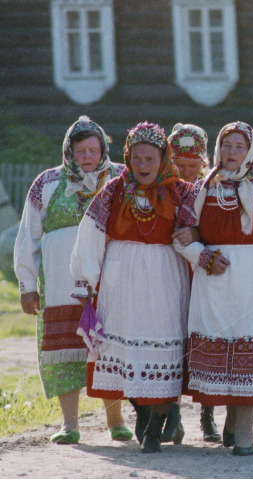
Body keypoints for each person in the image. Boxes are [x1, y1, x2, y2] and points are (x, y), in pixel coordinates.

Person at [173, 122, 253, 456]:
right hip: (213, 281)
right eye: (227, 145)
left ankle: (243, 431)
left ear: (250, 152)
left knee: (250, 351)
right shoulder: (203, 187)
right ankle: (229, 422)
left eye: (239, 146)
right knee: (220, 350)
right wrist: (203, 256)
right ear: (218, 150)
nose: (232, 152)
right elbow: (181, 235)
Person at [70, 122, 192, 453]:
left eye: (150, 159)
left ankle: (157, 421)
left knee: (163, 342)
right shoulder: (114, 190)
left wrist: (196, 240)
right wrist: (86, 278)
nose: (142, 165)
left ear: (163, 159)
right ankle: (142, 410)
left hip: (165, 275)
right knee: (123, 347)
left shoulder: (180, 191)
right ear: (127, 158)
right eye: (137, 158)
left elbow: (198, 227)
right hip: (121, 277)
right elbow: (91, 231)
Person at [14, 116, 128, 444]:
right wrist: (27, 285)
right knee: (64, 349)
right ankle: (69, 424)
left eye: (93, 150)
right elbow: (28, 235)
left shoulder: (121, 177)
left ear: (103, 149)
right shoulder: (48, 182)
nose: (87, 156)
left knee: (108, 348)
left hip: (110, 280)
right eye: (80, 151)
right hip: (61, 284)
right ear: (69, 151)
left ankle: (115, 420)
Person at [161, 122, 212, 444]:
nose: (187, 173)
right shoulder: (162, 189)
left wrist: (197, 234)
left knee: (206, 339)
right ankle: (173, 415)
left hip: (203, 273)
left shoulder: (212, 188)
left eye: (193, 166)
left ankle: (208, 415)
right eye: (180, 165)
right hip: (169, 272)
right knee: (174, 341)